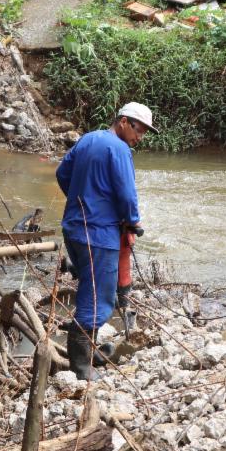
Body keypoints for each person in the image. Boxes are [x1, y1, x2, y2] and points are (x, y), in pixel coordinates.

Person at [55, 102, 158, 380]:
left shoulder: (88, 139)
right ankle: (81, 364)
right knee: (100, 295)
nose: (141, 137)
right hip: (99, 235)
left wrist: (82, 198)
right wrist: (133, 221)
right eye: (140, 130)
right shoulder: (120, 149)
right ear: (123, 122)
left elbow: (62, 174)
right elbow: (126, 194)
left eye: (146, 132)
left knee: (91, 286)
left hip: (74, 228)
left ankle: (88, 351)